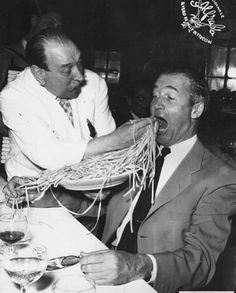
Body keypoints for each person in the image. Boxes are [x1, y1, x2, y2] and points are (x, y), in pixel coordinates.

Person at [76, 70, 236, 292]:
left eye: (169, 98)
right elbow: (101, 204)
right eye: (155, 96)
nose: (157, 105)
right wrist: (46, 195)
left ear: (196, 109)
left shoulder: (220, 178)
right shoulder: (136, 153)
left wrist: (140, 266)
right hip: (101, 269)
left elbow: (201, 262)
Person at [0, 28, 152, 223]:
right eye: (67, 70)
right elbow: (47, 155)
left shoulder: (95, 84)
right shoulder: (14, 96)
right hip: (36, 200)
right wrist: (115, 141)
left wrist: (102, 183)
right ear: (39, 73)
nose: (80, 76)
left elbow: (106, 152)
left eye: (79, 63)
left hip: (88, 203)